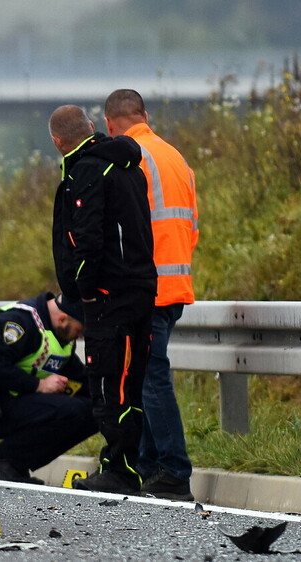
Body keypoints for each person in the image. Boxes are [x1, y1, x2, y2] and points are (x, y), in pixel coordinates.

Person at [48, 105, 157, 495]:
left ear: (58, 142)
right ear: (92, 127)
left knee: (112, 385)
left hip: (111, 298)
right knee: (127, 382)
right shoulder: (126, 167)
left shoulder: (88, 171)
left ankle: (121, 470)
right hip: (138, 289)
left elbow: (87, 242)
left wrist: (81, 290)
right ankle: (123, 464)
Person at [105, 89, 199, 501]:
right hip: (176, 282)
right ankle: (148, 466)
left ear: (110, 125)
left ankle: (173, 470)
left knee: (151, 379)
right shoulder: (176, 158)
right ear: (144, 115)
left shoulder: (128, 157)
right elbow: (191, 226)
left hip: (147, 286)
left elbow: (123, 230)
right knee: (144, 377)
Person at [0, 292, 96, 484]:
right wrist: (39, 384)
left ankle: (14, 465)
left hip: (11, 400)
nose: (80, 336)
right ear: (63, 319)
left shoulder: (58, 335)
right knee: (73, 410)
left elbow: (79, 378)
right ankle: (5, 460)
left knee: (93, 412)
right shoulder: (17, 322)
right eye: (80, 330)